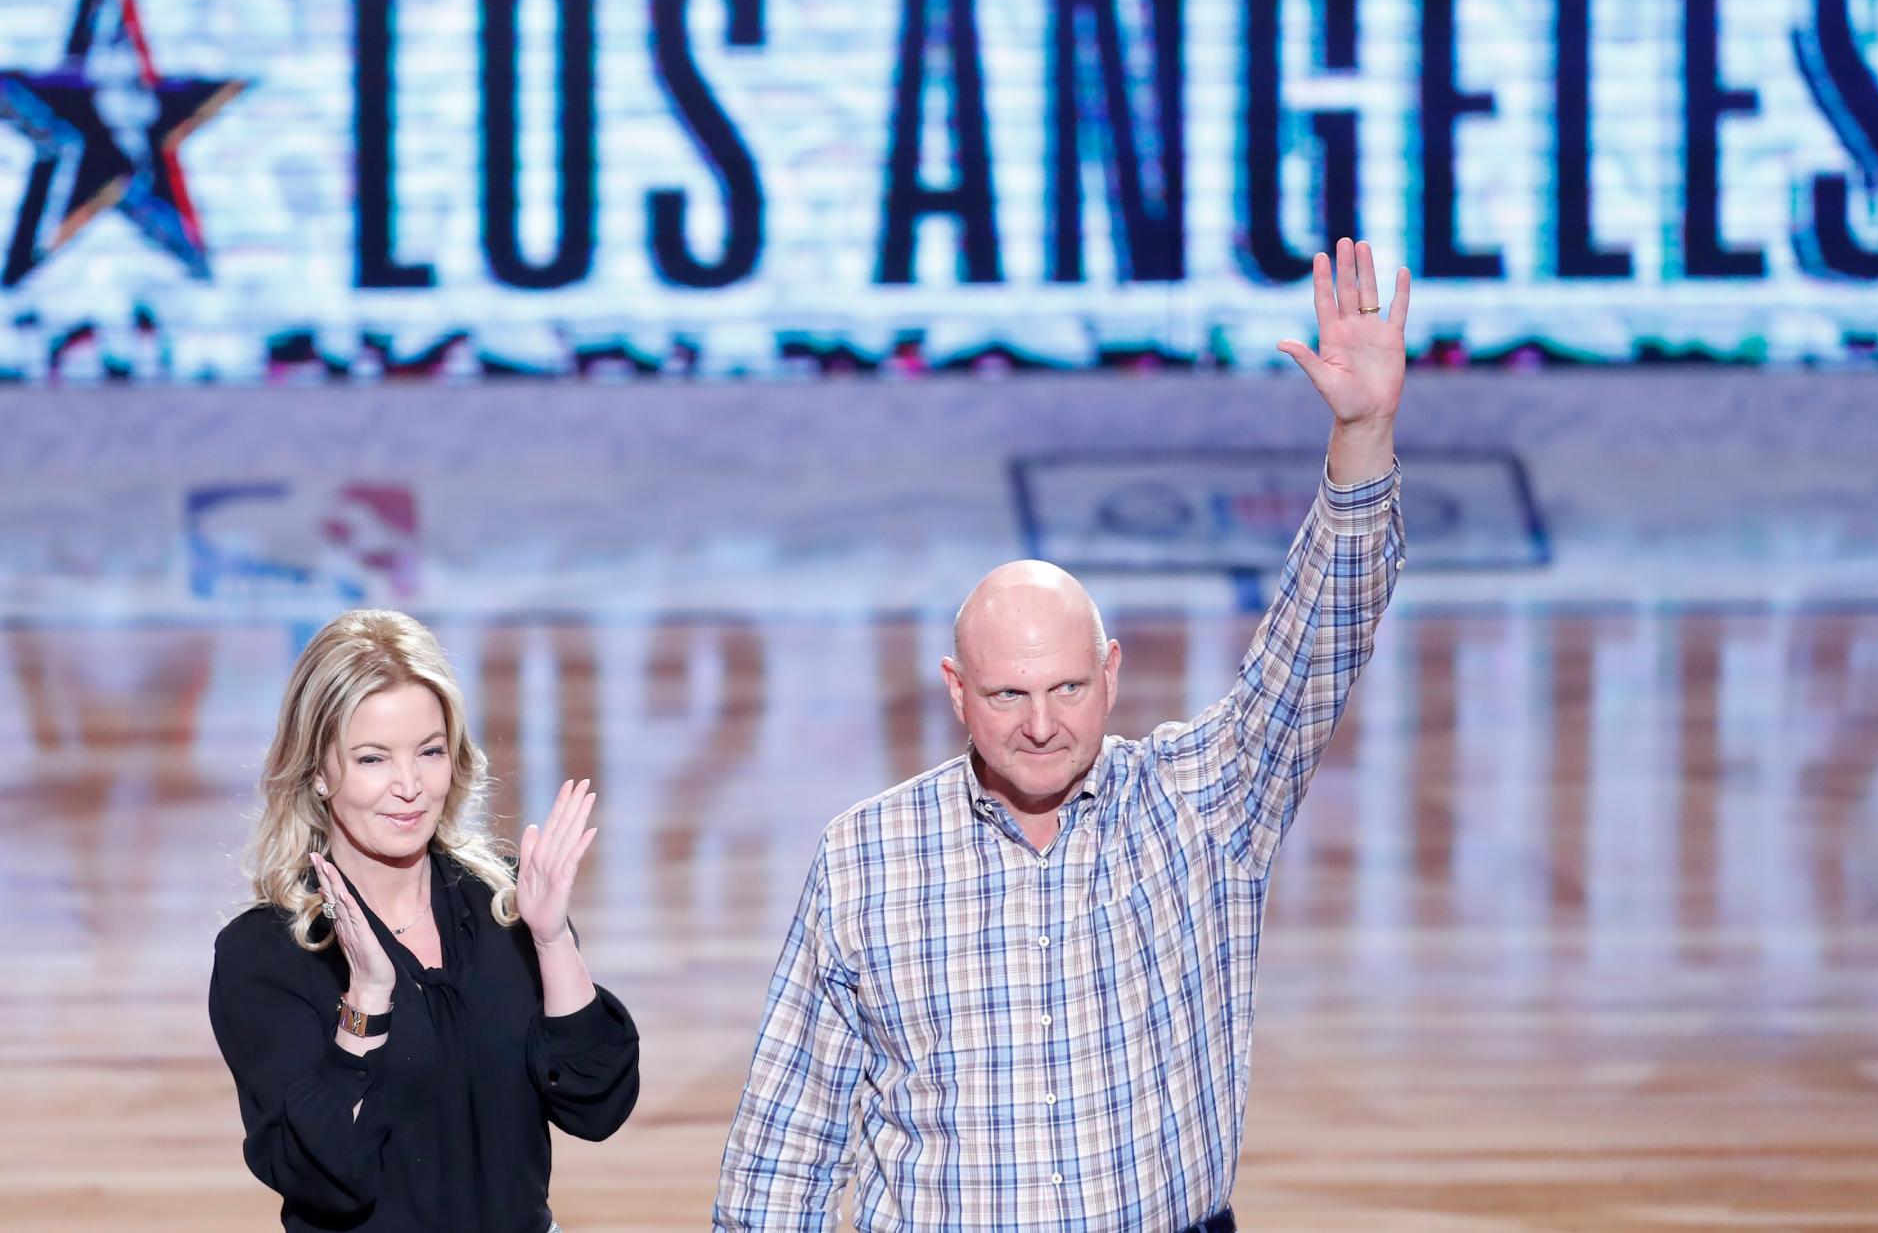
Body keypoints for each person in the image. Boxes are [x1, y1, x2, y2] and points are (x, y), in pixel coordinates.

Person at [713, 238, 1410, 1232]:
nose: (1041, 725)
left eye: (1068, 687)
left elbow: (1316, 639)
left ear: (1112, 672)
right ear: (955, 691)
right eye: (1005, 694)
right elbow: (786, 1143)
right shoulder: (865, 856)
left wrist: (1364, 433)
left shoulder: (1200, 802)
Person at [210, 609, 640, 1232]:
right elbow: (328, 1177)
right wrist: (367, 1002)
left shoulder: (508, 904)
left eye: (429, 751)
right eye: (372, 759)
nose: (410, 786)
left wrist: (549, 940)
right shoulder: (266, 955)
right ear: (317, 773)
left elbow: (596, 1104)